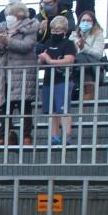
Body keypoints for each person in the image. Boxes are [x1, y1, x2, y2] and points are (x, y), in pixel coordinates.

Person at [0, 1, 39, 145]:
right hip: (5, 74)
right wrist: (1, 44)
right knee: (5, 107)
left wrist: (8, 41)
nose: (9, 17)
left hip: (23, 73)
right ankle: (3, 136)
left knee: (25, 106)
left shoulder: (30, 27)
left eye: (11, 14)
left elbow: (26, 46)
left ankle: (26, 136)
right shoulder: (2, 28)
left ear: (19, 14)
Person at [39, 15, 76, 144]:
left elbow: (69, 60)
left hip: (62, 80)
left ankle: (67, 135)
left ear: (64, 31)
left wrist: (49, 60)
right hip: (48, 80)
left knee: (63, 109)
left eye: (58, 31)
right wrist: (41, 59)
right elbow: (42, 60)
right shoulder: (48, 43)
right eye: (53, 30)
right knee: (52, 110)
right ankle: (54, 136)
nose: (55, 33)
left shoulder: (69, 44)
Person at [72, 10, 105, 99]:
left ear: (93, 22)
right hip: (77, 67)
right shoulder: (74, 34)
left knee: (82, 59)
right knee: (79, 59)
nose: (85, 22)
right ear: (79, 22)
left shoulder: (98, 34)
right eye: (83, 20)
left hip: (92, 67)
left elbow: (98, 54)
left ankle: (87, 93)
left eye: (88, 20)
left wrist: (84, 48)